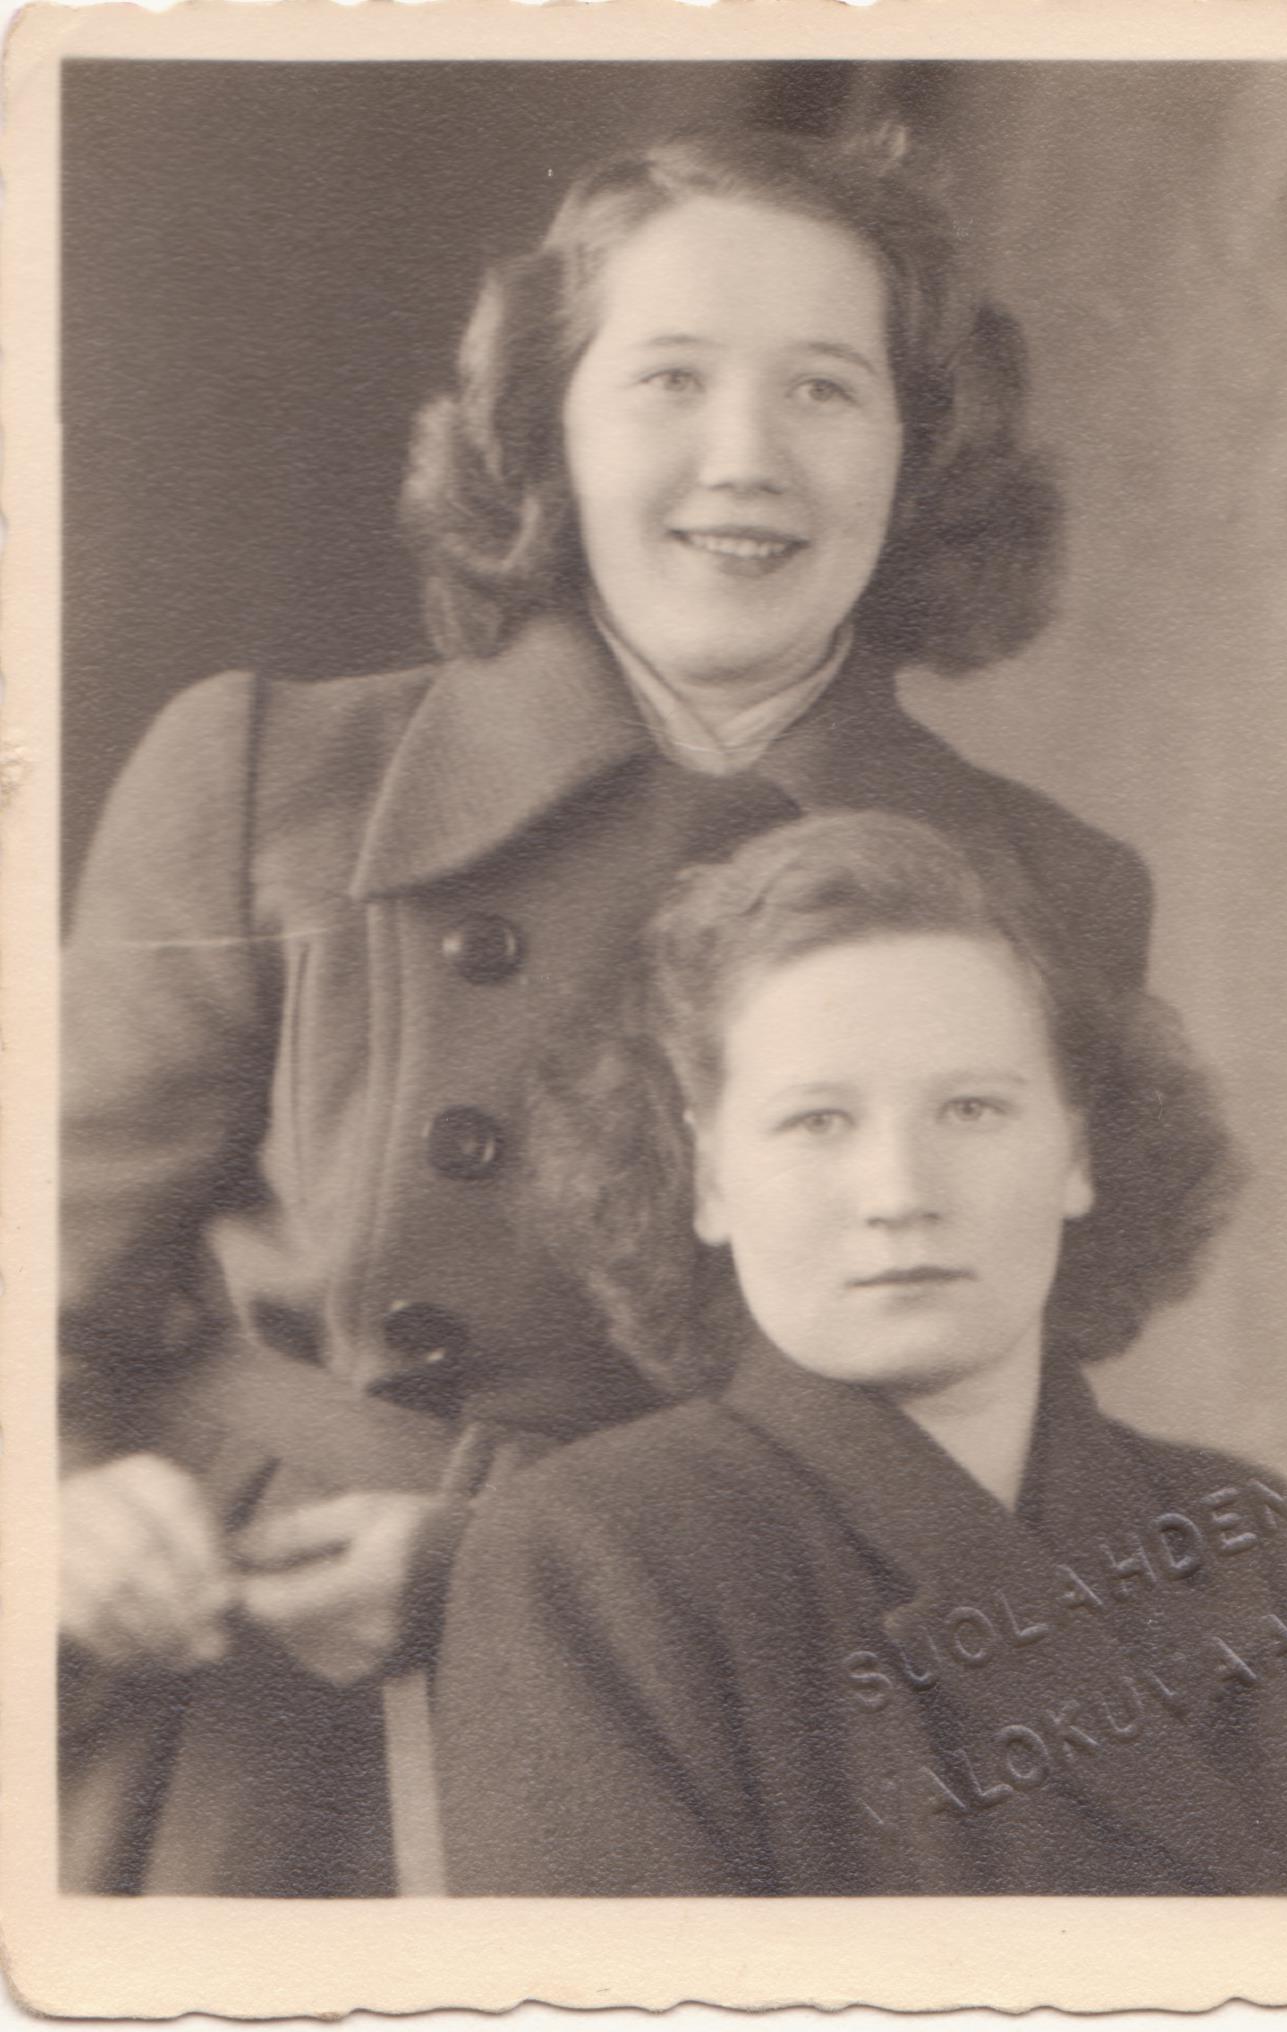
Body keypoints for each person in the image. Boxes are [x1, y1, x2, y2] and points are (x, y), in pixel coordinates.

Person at [60, 126, 1152, 1896]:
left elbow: (964, 1466)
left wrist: (507, 1563)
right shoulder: (269, 778)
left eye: (824, 387)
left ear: (919, 449)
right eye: (668, 379)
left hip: (698, 1703)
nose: (745, 458)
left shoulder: (1044, 892)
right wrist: (60, 1508)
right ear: (546, 429)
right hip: (248, 1713)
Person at [435, 812, 1287, 1897]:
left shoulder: (1275, 1547)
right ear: (707, 1177)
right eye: (817, 1122)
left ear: (1076, 1154)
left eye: (971, 1109)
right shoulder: (593, 1561)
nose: (900, 1193)